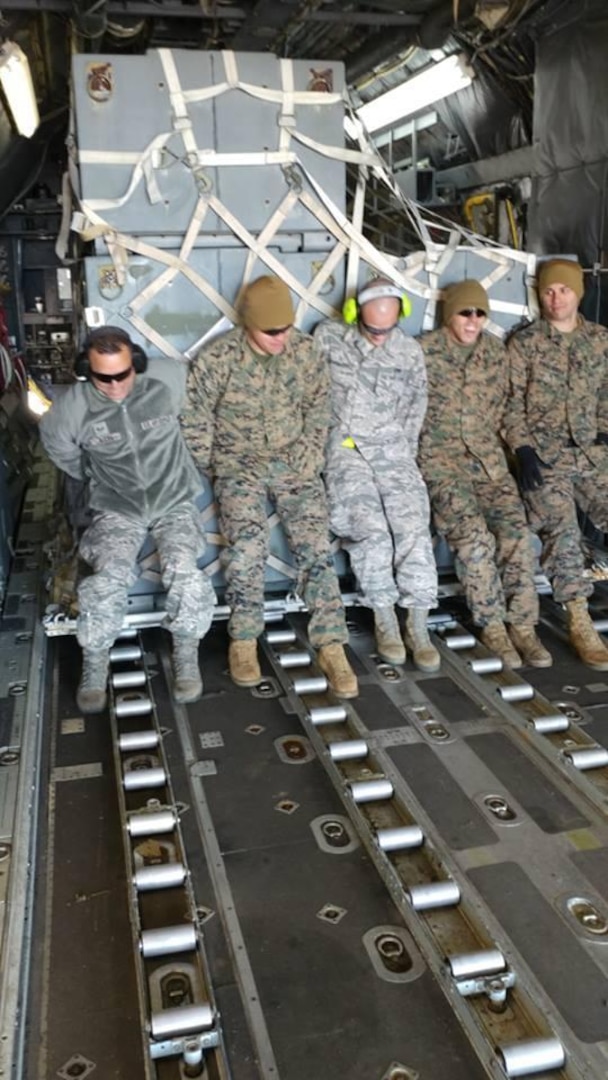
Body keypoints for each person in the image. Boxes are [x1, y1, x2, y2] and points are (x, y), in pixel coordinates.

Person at [180, 274, 358, 698]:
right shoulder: (218, 358)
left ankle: (332, 644)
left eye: (286, 328)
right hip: (238, 463)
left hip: (293, 460)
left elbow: (321, 406)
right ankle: (243, 639)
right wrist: (216, 463)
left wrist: (311, 452)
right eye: (271, 331)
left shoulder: (305, 352)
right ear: (248, 325)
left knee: (315, 545)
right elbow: (196, 416)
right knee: (246, 546)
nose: (281, 337)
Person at [39, 325, 216, 712]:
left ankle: (186, 652)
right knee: (108, 576)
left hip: (173, 500)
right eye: (104, 377)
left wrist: (193, 457)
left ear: (135, 363)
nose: (116, 384)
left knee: (184, 567)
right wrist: (91, 474)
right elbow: (55, 443)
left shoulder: (167, 379)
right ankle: (95, 660)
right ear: (87, 370)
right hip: (118, 507)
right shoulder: (74, 407)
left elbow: (205, 405)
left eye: (123, 374)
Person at [418, 280, 551, 669]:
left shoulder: (495, 354)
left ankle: (524, 627)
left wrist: (523, 448)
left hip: (489, 465)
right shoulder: (423, 353)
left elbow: (510, 409)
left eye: (480, 313)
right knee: (474, 540)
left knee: (516, 537)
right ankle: (493, 626)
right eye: (465, 312)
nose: (473, 320)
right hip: (442, 464)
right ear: (450, 315)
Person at [314, 279, 439, 672]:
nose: (380, 336)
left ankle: (418, 624)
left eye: (387, 328)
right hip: (346, 450)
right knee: (370, 530)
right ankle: (385, 617)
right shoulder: (330, 339)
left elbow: (416, 406)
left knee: (413, 527)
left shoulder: (408, 351)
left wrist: (407, 458)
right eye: (372, 328)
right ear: (354, 315)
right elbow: (311, 392)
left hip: (394, 451)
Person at [505, 258, 608, 669]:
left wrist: (603, 432)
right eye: (548, 291)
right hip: (545, 459)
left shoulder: (600, 341)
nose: (555, 298)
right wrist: (523, 449)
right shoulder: (524, 344)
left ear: (577, 293)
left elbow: (606, 395)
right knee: (561, 532)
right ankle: (580, 621)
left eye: (564, 290)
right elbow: (509, 404)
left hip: (591, 452)